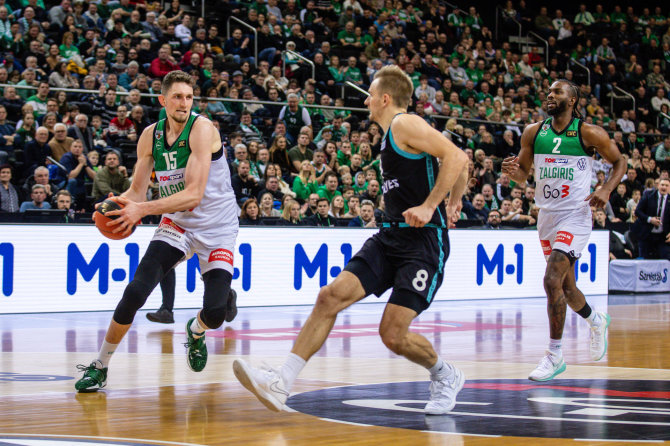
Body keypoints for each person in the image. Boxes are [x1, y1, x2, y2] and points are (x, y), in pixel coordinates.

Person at [233, 65, 469, 415]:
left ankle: (445, 374)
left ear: (385, 98)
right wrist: (455, 200)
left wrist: (434, 204)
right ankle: (281, 382)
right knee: (330, 297)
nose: (367, 100)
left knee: (392, 334)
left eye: (371, 94)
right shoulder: (392, 135)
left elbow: (458, 157)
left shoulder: (405, 123)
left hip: (423, 244)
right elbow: (459, 165)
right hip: (390, 237)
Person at [75, 71, 239, 392]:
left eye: (189, 97)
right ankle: (100, 364)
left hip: (217, 226)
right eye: (177, 96)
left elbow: (193, 194)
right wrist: (118, 205)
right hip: (177, 222)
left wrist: (142, 209)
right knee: (136, 290)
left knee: (217, 313)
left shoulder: (202, 130)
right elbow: (137, 191)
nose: (184, 103)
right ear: (163, 100)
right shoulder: (150, 135)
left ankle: (196, 330)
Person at [502, 79, 626, 382]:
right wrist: (512, 172)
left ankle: (554, 355)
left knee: (551, 279)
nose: (550, 95)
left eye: (557, 92)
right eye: (549, 91)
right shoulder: (534, 132)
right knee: (567, 288)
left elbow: (620, 162)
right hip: (547, 216)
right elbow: (524, 175)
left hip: (576, 215)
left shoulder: (589, 133)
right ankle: (596, 320)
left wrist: (607, 189)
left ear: (572, 101)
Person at [632, 178, 670, 259]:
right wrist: (650, 219)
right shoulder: (648, 195)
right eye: (662, 185)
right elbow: (638, 211)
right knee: (645, 260)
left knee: (665, 259)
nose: (664, 187)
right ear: (658, 186)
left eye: (667, 185)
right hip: (647, 234)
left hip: (663, 236)